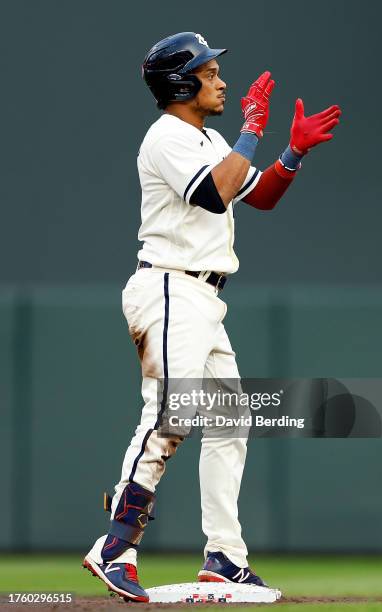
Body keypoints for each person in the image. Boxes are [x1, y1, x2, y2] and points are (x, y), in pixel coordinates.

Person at [83, 31, 341, 602]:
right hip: (172, 287)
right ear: (182, 83)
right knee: (169, 416)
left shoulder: (208, 137)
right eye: (208, 72)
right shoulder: (167, 137)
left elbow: (261, 195)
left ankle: (225, 555)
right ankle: (115, 544)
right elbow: (215, 195)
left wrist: (291, 153)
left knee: (230, 420)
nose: (221, 80)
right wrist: (253, 130)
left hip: (201, 296)